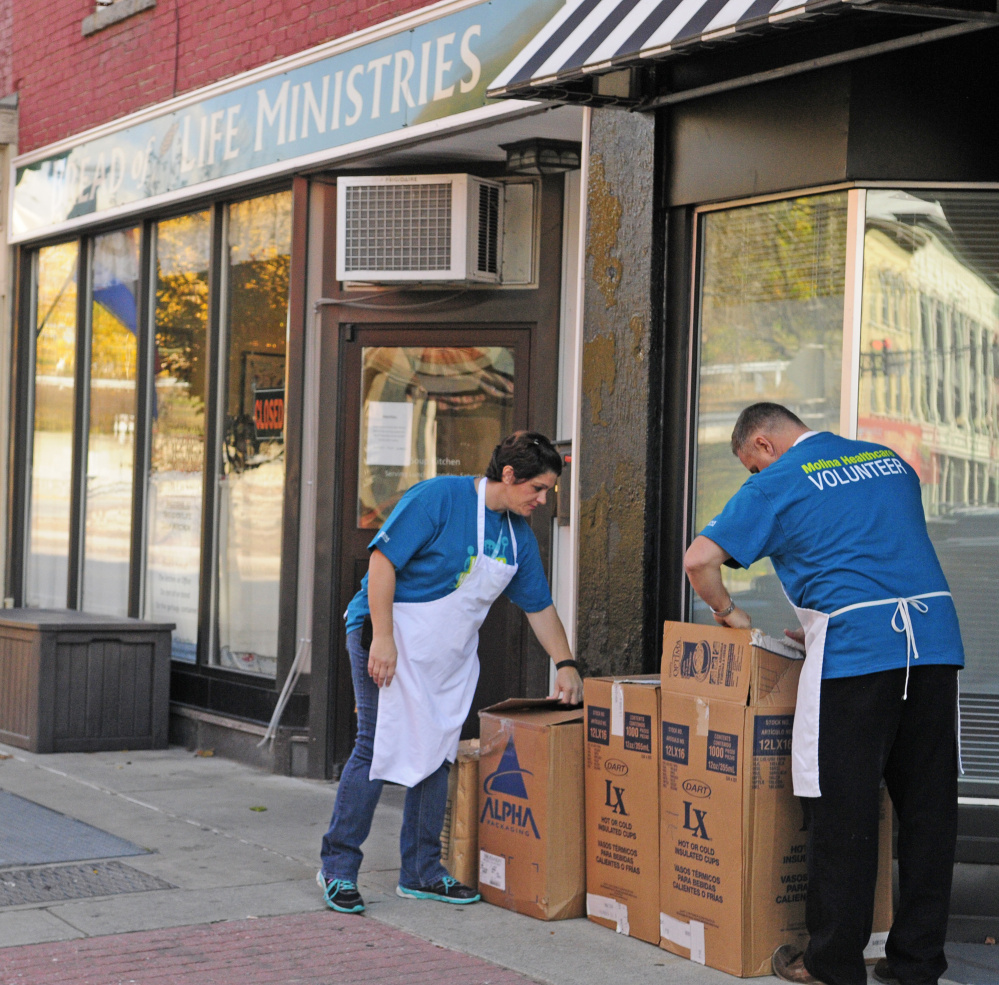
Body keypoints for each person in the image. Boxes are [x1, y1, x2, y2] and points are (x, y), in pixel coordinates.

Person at [683, 402, 963, 985]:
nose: (753, 479)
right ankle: (916, 964)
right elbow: (871, 549)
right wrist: (819, 622)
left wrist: (728, 611)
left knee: (844, 813)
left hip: (859, 654)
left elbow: (700, 560)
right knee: (927, 814)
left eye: (749, 467)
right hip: (933, 644)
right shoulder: (889, 460)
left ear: (763, 444)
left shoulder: (779, 481)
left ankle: (832, 963)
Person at [317, 430, 584, 914]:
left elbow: (539, 607)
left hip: (446, 658)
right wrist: (382, 637)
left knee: (436, 751)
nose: (543, 500)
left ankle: (421, 872)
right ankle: (337, 869)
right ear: (509, 475)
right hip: (386, 637)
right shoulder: (440, 498)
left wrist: (565, 664)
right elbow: (382, 563)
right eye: (538, 489)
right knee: (375, 747)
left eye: (548, 491)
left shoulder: (517, 537)